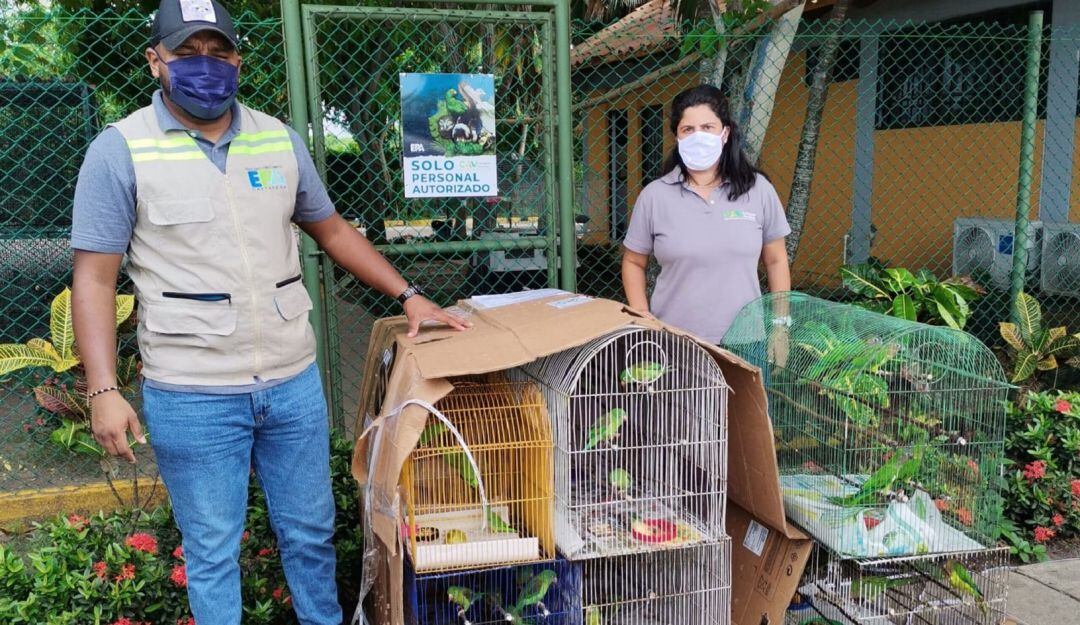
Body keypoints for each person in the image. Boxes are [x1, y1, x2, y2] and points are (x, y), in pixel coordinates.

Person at [70, 1, 468, 623]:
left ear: (237, 59)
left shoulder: (276, 139)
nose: (206, 66)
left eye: (219, 52)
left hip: (291, 383)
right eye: (186, 53)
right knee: (211, 552)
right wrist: (102, 388)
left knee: (311, 536)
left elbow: (332, 230)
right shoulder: (119, 150)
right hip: (192, 390)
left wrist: (409, 294)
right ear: (156, 61)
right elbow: (94, 279)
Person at [621, 84, 792, 355]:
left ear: (725, 133)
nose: (698, 136)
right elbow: (633, 261)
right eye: (688, 129)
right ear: (676, 136)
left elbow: (776, 259)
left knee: (746, 401)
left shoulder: (758, 189)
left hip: (746, 341)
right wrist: (642, 314)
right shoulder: (654, 196)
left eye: (708, 127)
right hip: (675, 341)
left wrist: (780, 326)